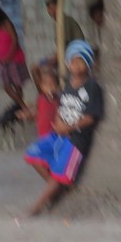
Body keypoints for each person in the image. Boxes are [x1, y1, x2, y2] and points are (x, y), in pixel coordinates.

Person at [22, 40, 103, 217]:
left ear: (88, 64)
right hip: (58, 134)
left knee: (59, 174)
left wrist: (68, 127)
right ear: (67, 63)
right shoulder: (68, 86)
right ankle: (58, 192)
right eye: (73, 61)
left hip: (76, 139)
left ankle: (36, 207)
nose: (76, 66)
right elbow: (62, 107)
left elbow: (91, 117)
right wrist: (58, 123)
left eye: (81, 61)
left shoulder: (92, 87)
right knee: (32, 155)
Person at [0, 7, 28, 110]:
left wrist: (9, 56)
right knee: (6, 86)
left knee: (17, 84)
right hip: (1, 61)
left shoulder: (7, 24)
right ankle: (22, 105)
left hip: (13, 59)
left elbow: (15, 40)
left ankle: (21, 106)